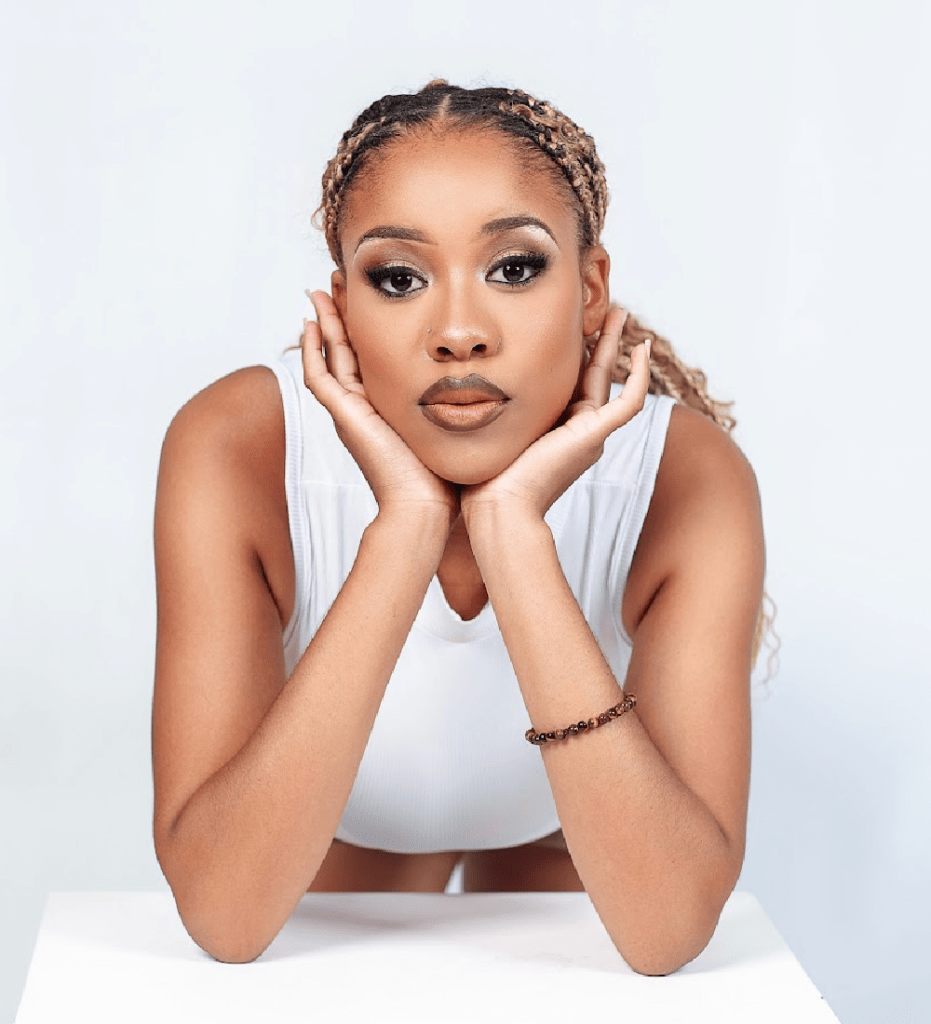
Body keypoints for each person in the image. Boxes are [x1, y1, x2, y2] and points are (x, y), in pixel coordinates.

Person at [151, 80, 772, 975]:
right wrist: (405, 526)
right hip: (331, 846)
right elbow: (225, 916)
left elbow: (665, 931)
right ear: (341, 308)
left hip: (562, 844)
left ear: (590, 289)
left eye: (513, 268)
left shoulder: (686, 477)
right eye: (398, 278)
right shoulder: (236, 447)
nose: (457, 332)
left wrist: (513, 535)